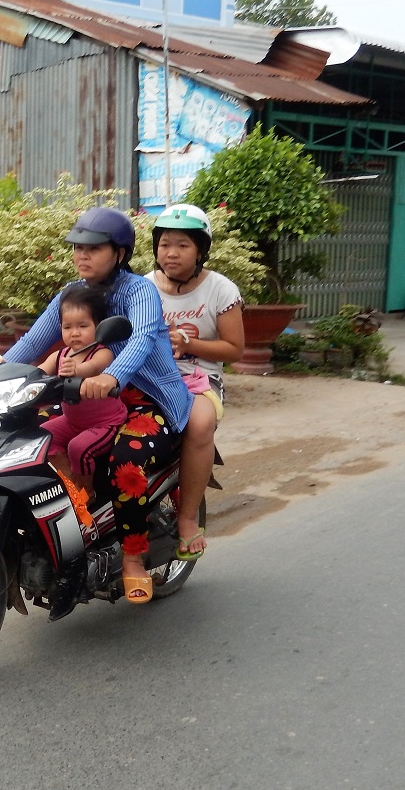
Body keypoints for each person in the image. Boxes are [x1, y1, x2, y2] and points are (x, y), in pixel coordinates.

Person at [4, 207, 191, 604]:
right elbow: (34, 342)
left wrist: (111, 376)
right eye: (77, 247)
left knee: (126, 461)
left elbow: (139, 340)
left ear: (120, 253)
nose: (82, 255)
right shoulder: (71, 294)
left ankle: (133, 559)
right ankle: (71, 519)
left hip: (147, 399)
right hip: (89, 400)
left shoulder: (139, 291)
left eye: (93, 247)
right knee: (29, 440)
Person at [145, 203, 244, 561]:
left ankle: (187, 519)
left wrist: (190, 344)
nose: (171, 253)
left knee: (200, 425)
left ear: (201, 250)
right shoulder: (144, 288)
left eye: (182, 245)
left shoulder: (221, 289)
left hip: (200, 379)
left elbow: (234, 349)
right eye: (164, 244)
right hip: (150, 377)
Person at [37, 285, 127, 508]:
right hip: (72, 421)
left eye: (82, 326)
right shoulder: (60, 355)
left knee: (78, 447)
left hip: (105, 423)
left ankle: (87, 491)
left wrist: (76, 371)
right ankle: (70, 483)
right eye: (68, 327)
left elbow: (94, 367)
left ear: (98, 327)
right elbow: (37, 372)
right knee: (41, 439)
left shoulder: (102, 353)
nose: (74, 332)